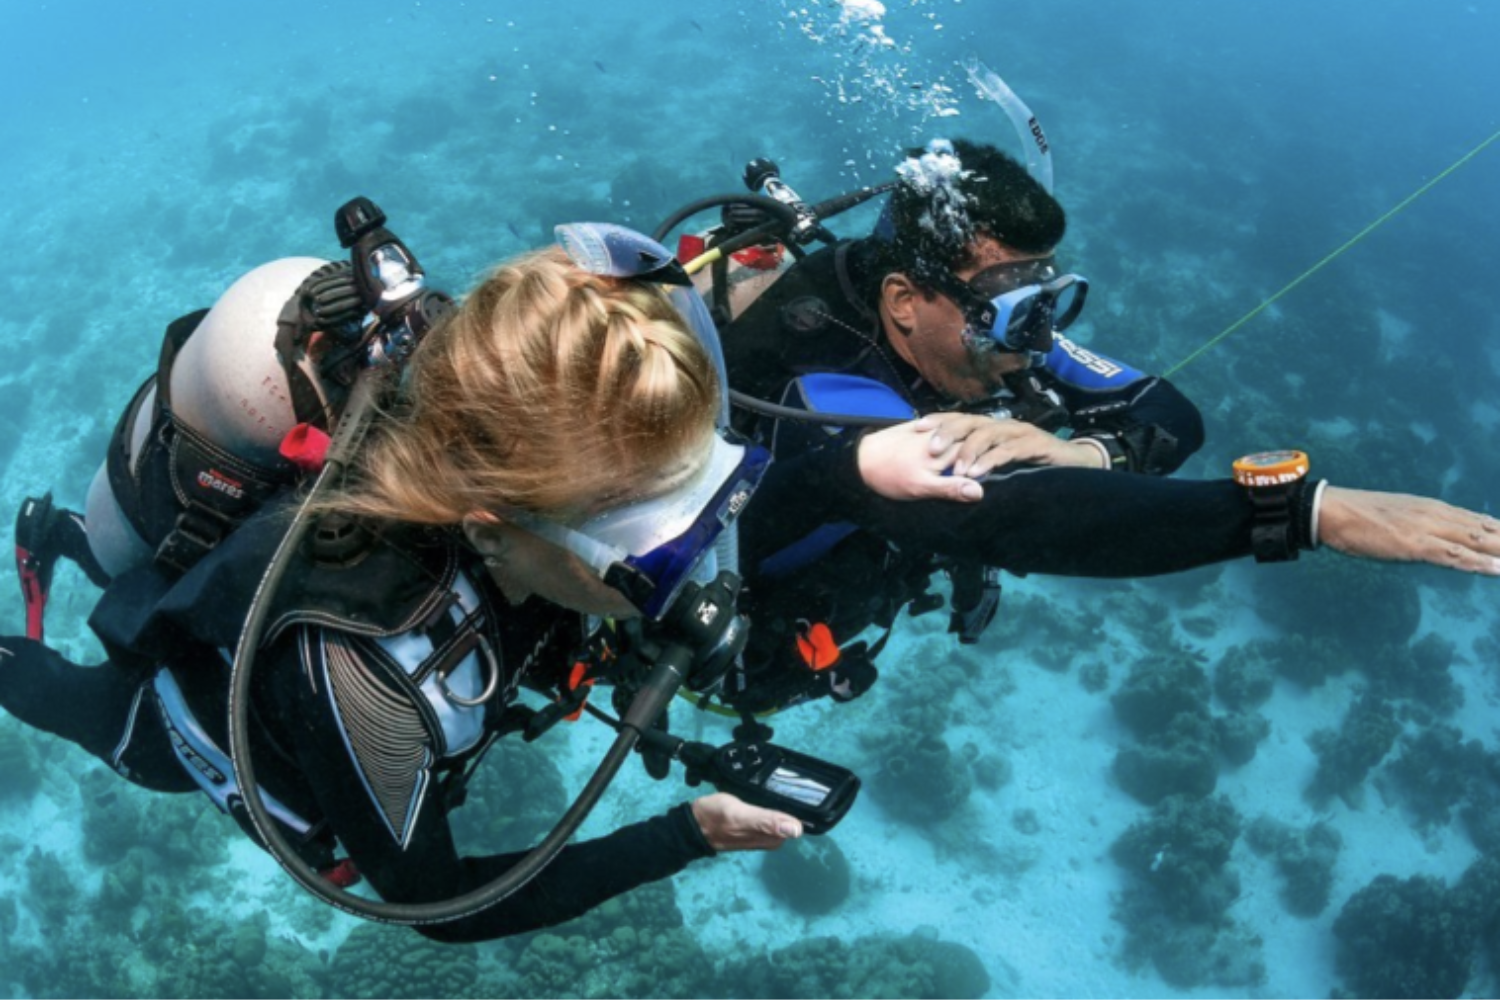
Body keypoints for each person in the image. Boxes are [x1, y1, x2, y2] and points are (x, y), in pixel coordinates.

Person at [1, 233, 803, 942]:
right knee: (99, 717)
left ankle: (72, 537)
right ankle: (54, 584)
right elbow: (443, 904)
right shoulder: (359, 665)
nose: (691, 568)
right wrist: (689, 835)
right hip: (192, 719)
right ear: (488, 527)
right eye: (653, 555)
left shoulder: (525, 489)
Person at [703, 137, 1499, 713]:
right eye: (1017, 314)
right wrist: (1301, 514)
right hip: (733, 614)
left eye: (1051, 303)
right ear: (906, 302)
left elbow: (1167, 412)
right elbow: (1012, 520)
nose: (1040, 339)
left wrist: (1087, 447)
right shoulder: (822, 382)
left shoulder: (981, 328)